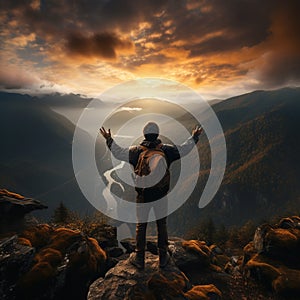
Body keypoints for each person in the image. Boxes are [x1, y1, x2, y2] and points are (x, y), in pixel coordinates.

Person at [100, 122, 202, 269]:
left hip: (143, 196)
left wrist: (108, 139)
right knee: (162, 224)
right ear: (158, 134)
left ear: (144, 134)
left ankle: (139, 257)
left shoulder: (136, 151)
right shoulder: (167, 150)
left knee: (141, 225)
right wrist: (194, 137)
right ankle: (163, 257)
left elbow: (118, 152)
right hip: (161, 194)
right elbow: (184, 149)